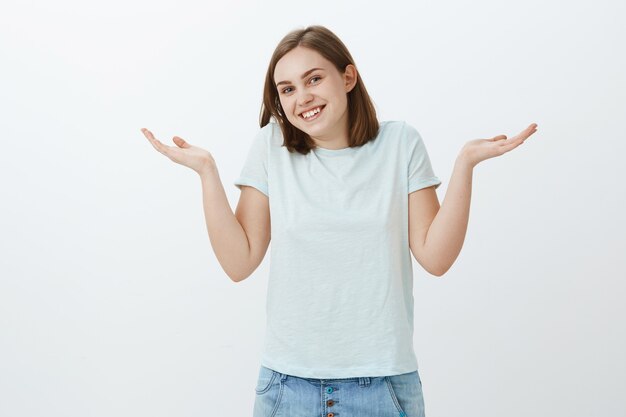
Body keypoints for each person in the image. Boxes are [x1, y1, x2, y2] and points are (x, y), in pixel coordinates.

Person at [140, 24, 538, 417]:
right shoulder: (271, 147)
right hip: (287, 386)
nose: (303, 98)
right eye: (288, 89)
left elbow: (436, 258)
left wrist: (465, 164)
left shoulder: (400, 143)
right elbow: (239, 262)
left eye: (314, 78)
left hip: (383, 386)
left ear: (348, 76)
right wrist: (207, 172)